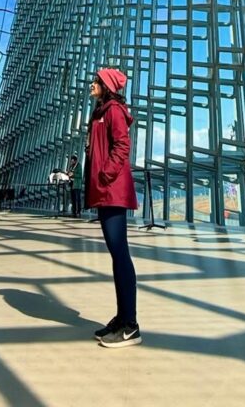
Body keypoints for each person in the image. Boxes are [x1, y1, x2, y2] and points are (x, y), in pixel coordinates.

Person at [85, 68, 141, 348]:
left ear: (106, 85)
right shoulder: (100, 111)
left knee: (120, 254)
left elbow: (122, 145)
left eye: (96, 81)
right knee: (116, 255)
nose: (92, 84)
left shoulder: (115, 110)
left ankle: (130, 324)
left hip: (113, 190)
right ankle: (122, 318)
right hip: (104, 190)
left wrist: (105, 175)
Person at [67, 153, 83, 217]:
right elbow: (70, 173)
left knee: (78, 199)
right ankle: (73, 212)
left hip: (77, 185)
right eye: (71, 161)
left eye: (72, 161)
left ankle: (78, 212)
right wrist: (68, 173)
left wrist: (72, 174)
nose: (71, 162)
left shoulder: (79, 166)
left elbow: (80, 175)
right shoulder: (71, 166)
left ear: (75, 161)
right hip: (72, 185)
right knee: (73, 199)